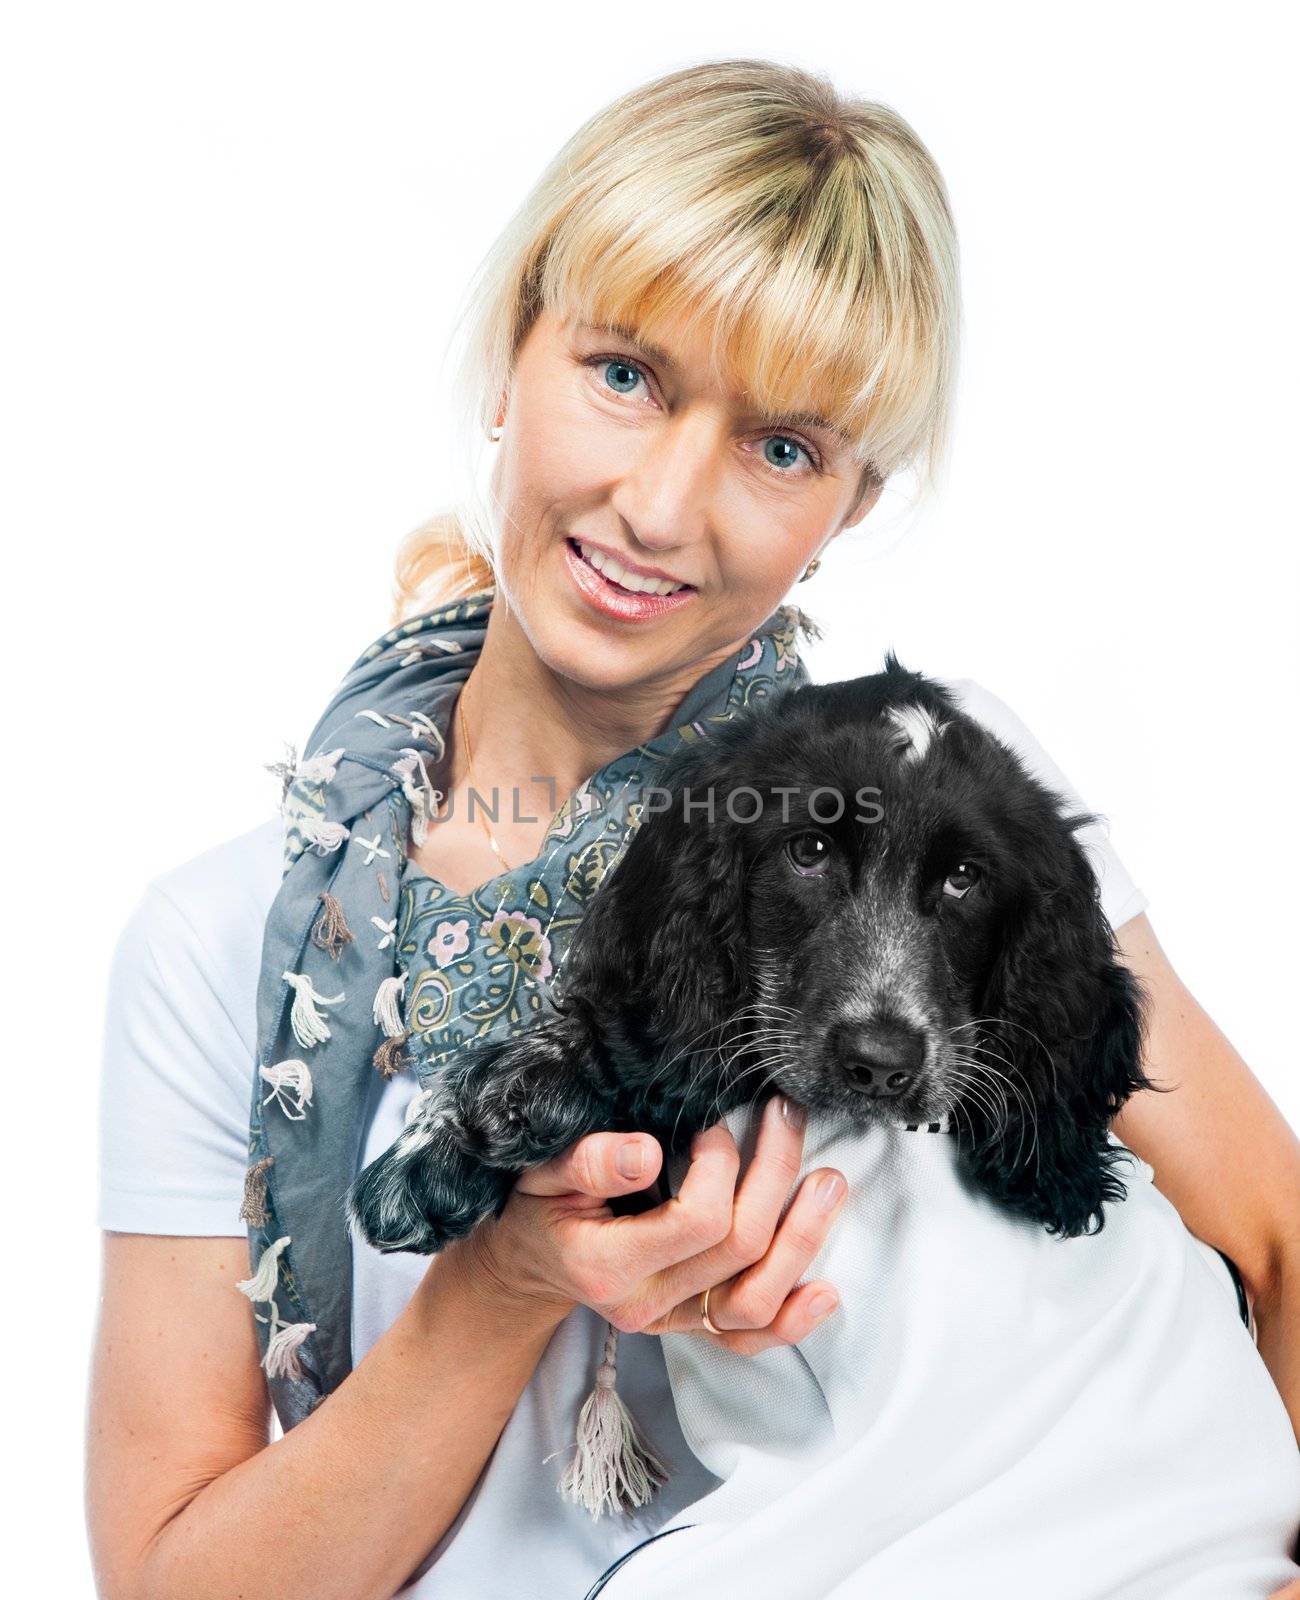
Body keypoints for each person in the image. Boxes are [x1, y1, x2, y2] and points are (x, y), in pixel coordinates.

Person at [86, 59, 1300, 1600]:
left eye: (783, 447)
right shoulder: (225, 947)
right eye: (626, 374)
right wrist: (515, 1276)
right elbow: (170, 1580)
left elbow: (1274, 1242)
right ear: (512, 347)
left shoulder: (943, 794)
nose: (663, 507)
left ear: (849, 504)